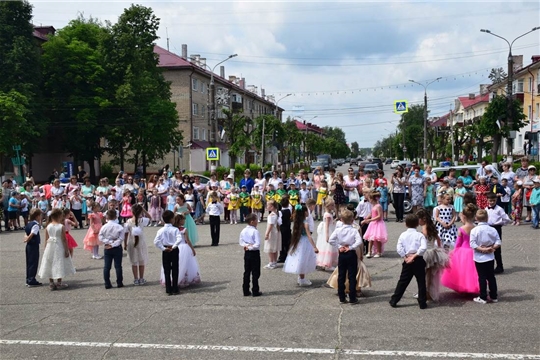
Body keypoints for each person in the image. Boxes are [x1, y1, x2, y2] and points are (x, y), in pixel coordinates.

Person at [389, 214, 428, 309]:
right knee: (421, 282)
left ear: (405, 224)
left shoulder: (403, 235)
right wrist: (415, 255)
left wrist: (405, 257)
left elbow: (399, 248)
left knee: (403, 281)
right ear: (417, 224)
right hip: (418, 259)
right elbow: (423, 247)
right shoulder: (420, 235)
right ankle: (422, 302)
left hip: (407, 259)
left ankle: (394, 300)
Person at [441, 203, 480, 294]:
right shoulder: (476, 228)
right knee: (473, 271)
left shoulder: (462, 229)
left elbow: (458, 243)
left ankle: (462, 287)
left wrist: (454, 252)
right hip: (473, 251)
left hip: (463, 251)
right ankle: (472, 287)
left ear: (464, 217)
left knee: (462, 271)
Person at [328, 209, 363, 304]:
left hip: (342, 253)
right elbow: (359, 241)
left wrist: (339, 247)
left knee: (341, 275)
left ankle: (342, 296)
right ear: (352, 220)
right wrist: (351, 247)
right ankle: (352, 297)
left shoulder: (338, 230)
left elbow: (331, 240)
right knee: (352, 275)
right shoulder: (354, 230)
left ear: (341, 220)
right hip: (351, 253)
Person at [37, 208, 76, 290]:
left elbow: (46, 239)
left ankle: (51, 282)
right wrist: (66, 250)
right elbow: (64, 239)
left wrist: (45, 249)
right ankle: (59, 282)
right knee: (59, 261)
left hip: (50, 245)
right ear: (59, 216)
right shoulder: (61, 226)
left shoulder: (48, 226)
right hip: (59, 245)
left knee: (50, 261)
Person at [416, 209, 449, 302]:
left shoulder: (424, 228)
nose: (417, 221)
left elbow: (424, 239)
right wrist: (439, 248)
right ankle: (429, 292)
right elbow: (438, 239)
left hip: (427, 252)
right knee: (430, 274)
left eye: (418, 219)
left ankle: (426, 293)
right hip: (433, 251)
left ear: (424, 219)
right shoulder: (431, 227)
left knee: (426, 274)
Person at [160, 214, 201, 289]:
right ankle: (182, 279)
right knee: (183, 264)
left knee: (173, 265)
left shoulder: (173, 229)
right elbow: (187, 240)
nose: (184, 221)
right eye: (183, 220)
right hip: (183, 247)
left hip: (174, 246)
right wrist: (192, 249)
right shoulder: (183, 229)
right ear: (180, 221)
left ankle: (172, 281)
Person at [283, 204, 319, 286]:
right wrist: (314, 247)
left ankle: (301, 277)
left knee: (301, 259)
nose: (308, 212)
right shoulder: (305, 223)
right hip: (305, 242)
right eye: (307, 211)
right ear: (304, 212)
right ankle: (302, 279)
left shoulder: (297, 221)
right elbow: (309, 236)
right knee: (303, 260)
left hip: (299, 241)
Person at [470, 209, 501, 304]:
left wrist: (482, 249)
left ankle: (483, 296)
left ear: (476, 218)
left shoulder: (474, 230)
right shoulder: (492, 229)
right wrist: (492, 248)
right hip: (490, 256)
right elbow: (498, 242)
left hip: (479, 257)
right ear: (487, 218)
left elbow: (472, 244)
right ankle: (494, 296)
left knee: (482, 277)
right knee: (491, 276)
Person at [154, 210, 182, 295]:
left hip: (165, 249)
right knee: (175, 268)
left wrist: (163, 248)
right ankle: (175, 288)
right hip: (173, 249)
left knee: (167, 269)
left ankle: (168, 289)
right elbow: (179, 239)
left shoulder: (160, 230)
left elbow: (156, 241)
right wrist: (173, 246)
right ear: (171, 219)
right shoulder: (175, 229)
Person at [124, 204, 151, 285]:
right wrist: (144, 210)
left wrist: (124, 244)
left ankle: (136, 279)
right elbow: (150, 218)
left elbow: (125, 233)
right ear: (140, 212)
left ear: (132, 211)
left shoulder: (128, 222)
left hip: (131, 242)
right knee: (141, 261)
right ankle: (141, 278)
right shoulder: (143, 220)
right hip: (141, 242)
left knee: (134, 262)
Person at [99, 210, 124, 289]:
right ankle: (119, 282)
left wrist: (108, 242)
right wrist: (113, 244)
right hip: (117, 247)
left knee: (107, 266)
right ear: (116, 217)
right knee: (118, 266)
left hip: (107, 247)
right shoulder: (119, 227)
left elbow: (100, 237)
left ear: (107, 217)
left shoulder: (104, 227)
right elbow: (121, 238)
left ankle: (107, 283)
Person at [486, 193, 510, 274]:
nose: (492, 202)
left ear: (496, 200)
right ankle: (490, 267)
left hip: (496, 228)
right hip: (488, 228)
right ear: (487, 200)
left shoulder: (499, 209)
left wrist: (501, 224)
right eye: (490, 200)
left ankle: (500, 266)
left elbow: (506, 219)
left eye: (493, 200)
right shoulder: (486, 208)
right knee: (488, 246)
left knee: (497, 248)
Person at [239, 213, 262, 297]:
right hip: (254, 253)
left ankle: (246, 290)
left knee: (247, 271)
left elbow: (241, 241)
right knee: (255, 272)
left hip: (247, 252)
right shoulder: (255, 231)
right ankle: (255, 290)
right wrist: (250, 247)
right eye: (256, 220)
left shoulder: (243, 230)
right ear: (252, 222)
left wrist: (246, 246)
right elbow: (257, 244)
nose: (257, 221)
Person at [362, 191, 388, 258]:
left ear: (374, 199)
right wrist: (366, 218)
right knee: (371, 238)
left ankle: (379, 252)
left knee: (377, 239)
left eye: (370, 199)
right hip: (373, 224)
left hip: (378, 224)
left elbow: (379, 216)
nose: (369, 200)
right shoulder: (373, 206)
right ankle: (369, 252)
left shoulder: (378, 206)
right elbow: (371, 213)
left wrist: (370, 220)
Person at [316, 198, 338, 270]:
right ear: (327, 206)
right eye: (332, 205)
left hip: (330, 230)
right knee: (329, 247)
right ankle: (328, 264)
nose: (333, 206)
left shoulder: (328, 214)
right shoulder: (327, 215)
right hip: (329, 231)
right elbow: (327, 226)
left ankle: (328, 263)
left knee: (328, 248)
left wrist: (334, 220)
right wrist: (327, 235)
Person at [23, 209, 43, 287]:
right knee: (33, 262)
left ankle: (28, 278)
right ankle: (31, 279)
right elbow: (32, 234)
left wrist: (25, 238)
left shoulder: (29, 224)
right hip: (33, 245)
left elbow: (26, 233)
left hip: (29, 246)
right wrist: (27, 239)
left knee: (29, 262)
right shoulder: (35, 225)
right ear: (37, 216)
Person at [263, 200, 281, 269]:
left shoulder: (272, 215)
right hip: (276, 231)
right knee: (275, 248)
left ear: (272, 207)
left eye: (268, 205)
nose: (266, 207)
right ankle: (274, 262)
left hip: (272, 232)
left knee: (270, 248)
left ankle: (271, 262)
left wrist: (267, 234)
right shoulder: (276, 213)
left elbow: (270, 225)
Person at [278, 197, 292, 263]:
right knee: (288, 242)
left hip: (282, 229)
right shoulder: (289, 210)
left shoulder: (280, 212)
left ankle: (282, 256)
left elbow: (279, 221)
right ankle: (288, 255)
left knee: (282, 243)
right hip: (288, 228)